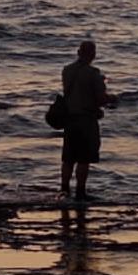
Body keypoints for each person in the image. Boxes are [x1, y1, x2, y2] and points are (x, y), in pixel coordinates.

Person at [58, 38, 117, 201]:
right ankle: (80, 192)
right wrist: (113, 97)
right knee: (83, 158)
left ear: (78, 53)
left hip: (70, 120)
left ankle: (64, 190)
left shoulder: (66, 70)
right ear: (93, 55)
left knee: (68, 157)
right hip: (86, 121)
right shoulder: (94, 73)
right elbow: (100, 99)